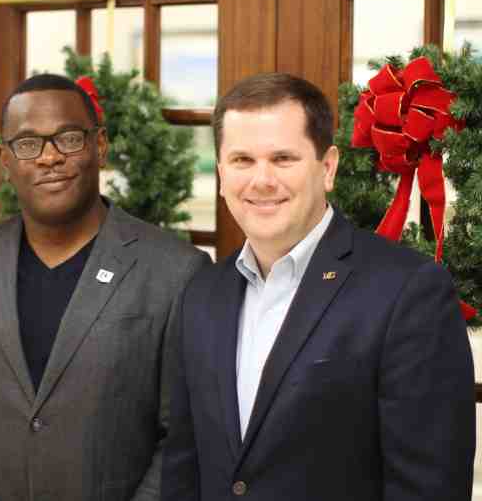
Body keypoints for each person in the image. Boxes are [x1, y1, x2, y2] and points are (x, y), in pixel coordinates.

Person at [161, 72, 475, 500]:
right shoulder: (201, 293)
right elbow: (184, 467)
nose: (262, 180)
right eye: (242, 161)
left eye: (283, 158)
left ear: (327, 168)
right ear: (220, 174)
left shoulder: (408, 291)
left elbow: (429, 487)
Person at [0, 73, 210, 501]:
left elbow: (181, 431)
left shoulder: (175, 271)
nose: (49, 157)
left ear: (99, 146)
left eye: (68, 138)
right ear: (5, 160)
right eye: (28, 144)